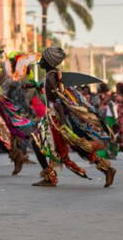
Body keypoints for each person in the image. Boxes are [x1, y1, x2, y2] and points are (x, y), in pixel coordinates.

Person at [30, 47, 116, 188]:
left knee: (38, 142)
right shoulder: (54, 75)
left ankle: (49, 177)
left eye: (43, 59)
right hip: (54, 118)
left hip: (56, 119)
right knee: (74, 148)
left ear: (49, 61)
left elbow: (59, 100)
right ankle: (107, 169)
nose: (41, 61)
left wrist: (63, 123)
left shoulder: (51, 76)